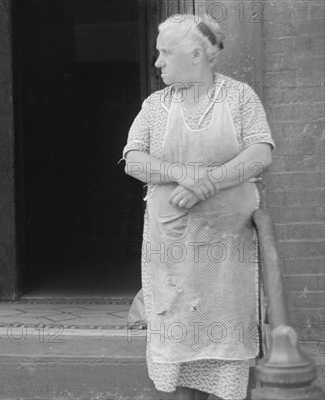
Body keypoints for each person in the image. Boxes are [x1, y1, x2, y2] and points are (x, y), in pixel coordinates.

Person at [122, 14, 274, 400]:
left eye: (164, 53)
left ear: (194, 54)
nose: (157, 62)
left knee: (223, 326)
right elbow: (134, 160)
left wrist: (205, 186)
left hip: (227, 249)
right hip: (172, 246)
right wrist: (183, 174)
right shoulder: (155, 105)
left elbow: (259, 154)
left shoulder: (240, 97)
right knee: (176, 326)